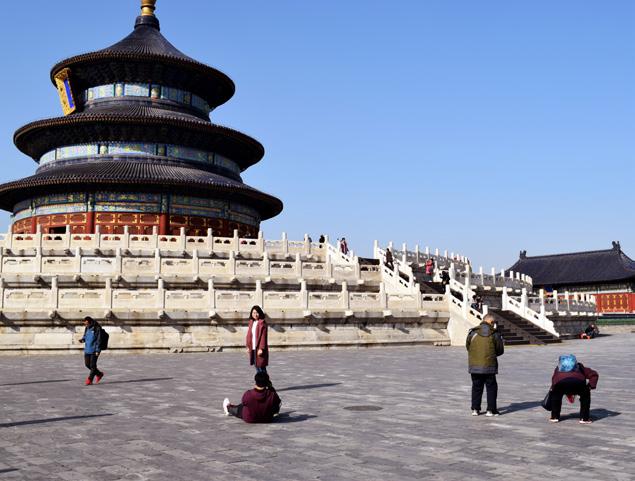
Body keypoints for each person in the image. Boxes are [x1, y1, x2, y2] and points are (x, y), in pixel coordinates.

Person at [466, 313, 504, 416]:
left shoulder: (472, 332)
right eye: (494, 322)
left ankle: (475, 409)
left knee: (476, 387)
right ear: (491, 322)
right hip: (489, 366)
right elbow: (500, 350)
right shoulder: (495, 334)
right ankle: (490, 410)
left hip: (475, 366)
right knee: (491, 387)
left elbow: (468, 347)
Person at [549, 354, 598, 424]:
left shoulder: (558, 368)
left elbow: (554, 379)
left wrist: (553, 389)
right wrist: (590, 386)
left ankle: (554, 417)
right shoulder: (580, 366)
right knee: (585, 396)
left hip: (560, 383)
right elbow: (594, 374)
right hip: (578, 383)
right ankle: (584, 418)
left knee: (556, 397)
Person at [79, 316, 104, 385]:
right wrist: (82, 339)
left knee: (93, 366)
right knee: (87, 365)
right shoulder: (87, 328)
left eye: (86, 323)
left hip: (94, 350)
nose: (85, 325)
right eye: (85, 324)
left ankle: (90, 379)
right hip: (87, 349)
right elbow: (85, 336)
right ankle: (99, 374)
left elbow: (99, 340)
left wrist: (98, 350)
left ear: (90, 322)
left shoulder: (97, 328)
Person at [246, 305, 269, 374]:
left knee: (261, 366)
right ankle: (262, 383)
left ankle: (264, 383)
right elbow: (248, 335)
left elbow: (263, 336)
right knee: (256, 365)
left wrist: (261, 348)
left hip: (259, 348)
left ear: (260, 313)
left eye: (257, 312)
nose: (255, 314)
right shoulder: (251, 322)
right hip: (252, 347)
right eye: (253, 313)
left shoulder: (262, 323)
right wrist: (247, 346)